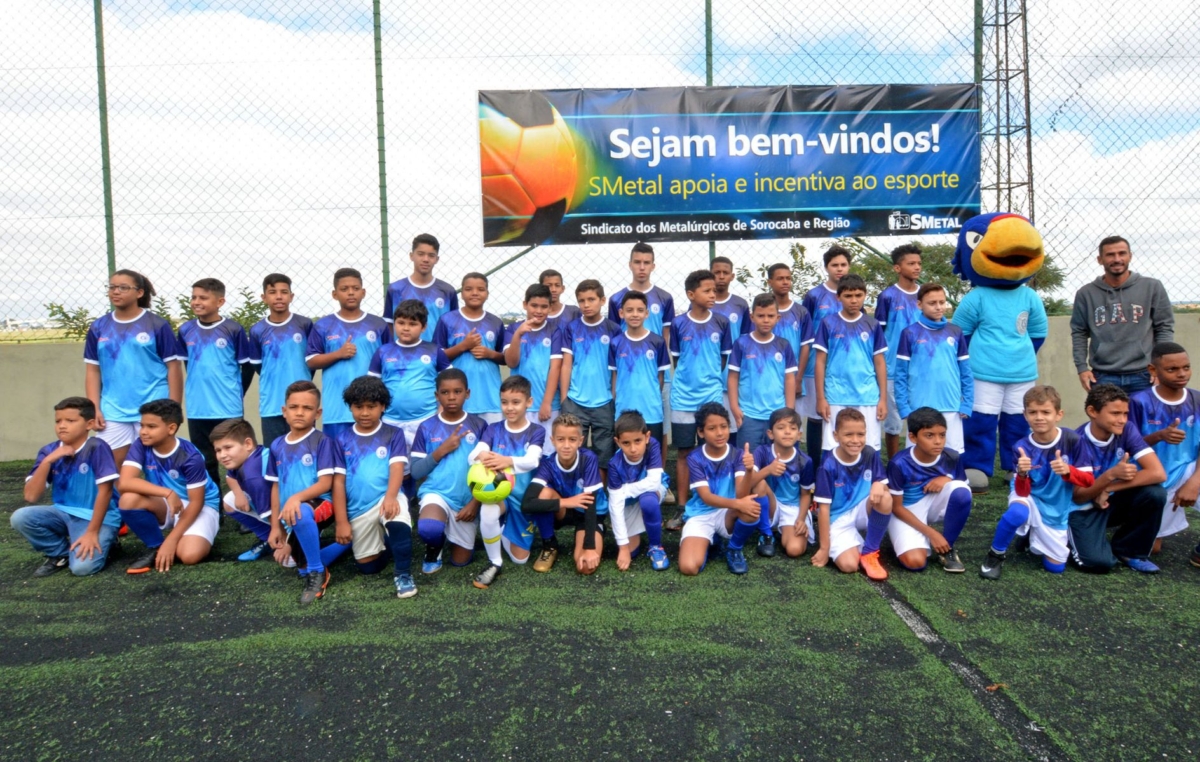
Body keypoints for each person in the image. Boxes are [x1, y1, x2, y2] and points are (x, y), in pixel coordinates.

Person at [980, 385, 1090, 579]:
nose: (1039, 417)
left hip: (1056, 509)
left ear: (1059, 414)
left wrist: (1068, 471)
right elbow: (1022, 492)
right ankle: (995, 555)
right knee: (1017, 512)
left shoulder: (1073, 439)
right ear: (1025, 415)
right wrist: (1022, 474)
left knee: (1055, 568)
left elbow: (1089, 481)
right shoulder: (1021, 447)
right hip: (1029, 495)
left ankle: (1028, 534)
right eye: (1033, 412)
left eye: (1046, 412)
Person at [12, 397, 120, 577]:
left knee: (82, 568)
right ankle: (60, 554)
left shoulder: (97, 447)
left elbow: (106, 491)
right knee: (20, 517)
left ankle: (110, 542)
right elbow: (31, 496)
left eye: (70, 421)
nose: (62, 426)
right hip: (62, 512)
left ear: (89, 424)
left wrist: (92, 533)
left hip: (97, 518)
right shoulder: (49, 451)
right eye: (58, 421)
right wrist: (48, 461)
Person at [85, 269, 184, 463]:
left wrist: (173, 409)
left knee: (159, 468)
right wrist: (94, 408)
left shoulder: (157, 325)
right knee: (110, 470)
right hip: (112, 411)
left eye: (123, 287)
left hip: (154, 406)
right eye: (112, 287)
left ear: (139, 293)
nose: (116, 292)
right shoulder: (98, 327)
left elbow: (174, 368)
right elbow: (93, 370)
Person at [266, 381, 351, 604]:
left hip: (321, 504)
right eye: (294, 407)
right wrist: (275, 526)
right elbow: (275, 486)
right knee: (294, 564)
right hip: (291, 513)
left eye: (307, 408)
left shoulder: (322, 442)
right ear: (284, 411)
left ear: (318, 413)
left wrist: (296, 498)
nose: (300, 412)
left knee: (302, 512)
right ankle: (349, 545)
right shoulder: (276, 445)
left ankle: (317, 572)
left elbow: (325, 483)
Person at [1069, 384, 1168, 573]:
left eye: (1125, 414)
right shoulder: (1076, 440)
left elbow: (1157, 473)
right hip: (1081, 509)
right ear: (1092, 411)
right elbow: (1079, 497)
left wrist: (1108, 487)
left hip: (1108, 500)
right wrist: (1110, 475)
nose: (1122, 420)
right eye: (1115, 413)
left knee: (1155, 493)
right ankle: (1056, 536)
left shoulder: (1127, 429)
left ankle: (1129, 550)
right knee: (1099, 563)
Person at [333, 376, 416, 599]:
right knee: (368, 567)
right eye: (358, 407)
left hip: (386, 496)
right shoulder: (341, 440)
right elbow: (338, 482)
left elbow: (397, 468)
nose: (365, 413)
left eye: (372, 407)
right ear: (350, 407)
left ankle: (403, 574)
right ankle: (388, 544)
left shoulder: (393, 434)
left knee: (397, 518)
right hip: (358, 508)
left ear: (383, 407)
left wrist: (391, 497)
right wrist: (341, 522)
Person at [117, 398, 221, 575]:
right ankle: (155, 546)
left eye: (151, 427)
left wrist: (171, 540)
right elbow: (124, 482)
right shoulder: (140, 445)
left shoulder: (190, 456)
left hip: (200, 506)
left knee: (189, 556)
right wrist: (168, 493)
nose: (143, 432)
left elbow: (197, 502)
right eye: (142, 426)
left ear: (171, 428)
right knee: (128, 499)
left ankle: (182, 538)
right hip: (167, 501)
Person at [468, 374, 547, 587]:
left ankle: (501, 530)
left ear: (528, 403)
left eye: (516, 402)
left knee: (520, 559)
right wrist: (481, 455)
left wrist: (505, 461)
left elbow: (532, 461)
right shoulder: (493, 429)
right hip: (500, 495)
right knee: (488, 511)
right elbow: (473, 455)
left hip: (523, 500)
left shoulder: (536, 430)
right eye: (504, 402)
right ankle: (495, 562)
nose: (509, 408)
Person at [408, 368, 488, 574]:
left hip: (467, 500)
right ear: (437, 395)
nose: (451, 397)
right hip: (437, 493)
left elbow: (490, 472)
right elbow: (416, 472)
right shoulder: (426, 427)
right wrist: (442, 449)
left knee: (461, 561)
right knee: (429, 529)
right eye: (445, 392)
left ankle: (450, 535)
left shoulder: (480, 425)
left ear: (467, 393)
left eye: (457, 391)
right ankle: (434, 546)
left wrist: (475, 503)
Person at [1071, 235, 1174, 394]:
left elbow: (1164, 327)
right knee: (1106, 420)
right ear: (1100, 260)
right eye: (1110, 255)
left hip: (1145, 374)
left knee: (1146, 419)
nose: (1117, 259)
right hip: (1103, 376)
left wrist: (1160, 367)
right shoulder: (1086, 294)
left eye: (1122, 253)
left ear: (1130, 256)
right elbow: (1079, 332)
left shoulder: (1152, 287)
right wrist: (1081, 368)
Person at [676, 403, 771, 576]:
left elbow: (742, 494)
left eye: (724, 427)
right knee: (688, 567)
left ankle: (734, 549)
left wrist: (749, 471)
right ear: (701, 432)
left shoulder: (738, 454)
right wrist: (738, 504)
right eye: (712, 428)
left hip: (728, 512)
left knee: (750, 509)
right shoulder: (695, 458)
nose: (719, 433)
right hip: (701, 515)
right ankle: (710, 542)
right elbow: (706, 497)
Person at [177, 277, 253, 485]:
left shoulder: (233, 329)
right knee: (205, 461)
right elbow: (187, 365)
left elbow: (247, 367)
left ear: (220, 302)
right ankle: (213, 510)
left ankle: (250, 507)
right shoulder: (185, 330)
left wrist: (237, 393)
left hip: (228, 408)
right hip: (198, 409)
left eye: (203, 297)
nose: (196, 302)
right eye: (194, 297)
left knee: (237, 460)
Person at [669, 270, 733, 511]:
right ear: (691, 294)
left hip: (712, 396)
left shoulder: (722, 322)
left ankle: (716, 503)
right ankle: (683, 507)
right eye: (707, 291)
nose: (712, 295)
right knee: (685, 452)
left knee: (714, 449)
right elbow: (677, 360)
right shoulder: (678, 323)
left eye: (714, 291)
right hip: (683, 398)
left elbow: (723, 359)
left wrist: (710, 380)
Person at [1129, 342, 1200, 550]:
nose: (1181, 374)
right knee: (1153, 548)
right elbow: (1128, 447)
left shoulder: (1197, 399)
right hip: (1156, 479)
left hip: (1190, 469)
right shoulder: (1139, 402)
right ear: (1153, 370)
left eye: (1186, 367)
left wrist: (1194, 482)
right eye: (1172, 369)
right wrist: (1159, 435)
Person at [305, 268, 390, 441]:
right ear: (335, 294)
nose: (350, 293)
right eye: (344, 289)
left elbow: (389, 361)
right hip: (336, 409)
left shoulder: (378, 324)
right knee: (337, 461)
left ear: (363, 292)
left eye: (355, 288)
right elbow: (311, 361)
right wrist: (338, 354)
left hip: (371, 408)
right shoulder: (323, 325)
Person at [886, 408, 973, 572]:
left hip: (934, 505)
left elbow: (962, 494)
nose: (938, 441)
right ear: (912, 437)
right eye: (929, 435)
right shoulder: (899, 463)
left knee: (961, 490)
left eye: (942, 435)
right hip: (906, 511)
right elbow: (896, 507)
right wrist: (932, 533)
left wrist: (947, 478)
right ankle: (920, 538)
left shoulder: (952, 457)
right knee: (915, 562)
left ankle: (947, 548)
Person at [522, 413, 609, 575]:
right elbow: (527, 503)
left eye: (572, 440)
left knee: (584, 567)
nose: (566, 445)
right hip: (565, 509)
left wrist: (589, 547)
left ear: (580, 441)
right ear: (552, 440)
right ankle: (549, 545)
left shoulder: (588, 459)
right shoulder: (548, 464)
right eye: (561, 439)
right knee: (544, 493)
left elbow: (590, 503)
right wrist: (566, 502)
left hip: (589, 513)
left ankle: (596, 533)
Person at [811, 408, 891, 580]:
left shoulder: (869, 453)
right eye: (849, 435)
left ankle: (870, 551)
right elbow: (823, 510)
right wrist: (824, 548)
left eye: (860, 434)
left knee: (885, 496)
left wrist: (878, 484)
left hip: (862, 509)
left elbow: (882, 485)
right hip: (838, 518)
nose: (855, 440)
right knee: (849, 566)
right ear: (835, 435)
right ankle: (852, 544)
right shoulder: (827, 465)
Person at [894, 283, 973, 454]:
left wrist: (966, 403)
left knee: (951, 455)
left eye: (942, 302)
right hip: (919, 407)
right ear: (919, 305)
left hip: (951, 405)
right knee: (917, 455)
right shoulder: (909, 333)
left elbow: (966, 372)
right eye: (932, 303)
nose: (938, 307)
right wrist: (904, 407)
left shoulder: (955, 332)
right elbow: (900, 374)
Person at [814, 274, 888, 452]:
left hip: (867, 396)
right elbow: (820, 361)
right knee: (833, 446)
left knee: (868, 446)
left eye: (858, 295)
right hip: (835, 395)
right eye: (848, 296)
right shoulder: (828, 323)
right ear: (838, 297)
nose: (853, 300)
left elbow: (879, 362)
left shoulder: (872, 324)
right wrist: (820, 398)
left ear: (865, 296)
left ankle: (869, 480)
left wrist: (883, 399)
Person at [369, 299, 451, 447]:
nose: (406, 328)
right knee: (396, 466)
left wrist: (442, 409)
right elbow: (372, 388)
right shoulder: (382, 352)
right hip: (390, 420)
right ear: (394, 323)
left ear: (424, 327)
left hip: (426, 419)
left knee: (423, 465)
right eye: (401, 323)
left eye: (413, 324)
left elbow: (450, 382)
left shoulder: (434, 351)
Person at [560, 279, 620, 471]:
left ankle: (601, 497)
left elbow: (615, 369)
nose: (586, 305)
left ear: (602, 300)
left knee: (604, 455)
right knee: (574, 453)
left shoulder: (613, 329)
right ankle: (577, 495)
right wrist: (564, 399)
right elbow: (567, 364)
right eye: (581, 301)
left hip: (604, 402)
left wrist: (613, 397)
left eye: (591, 299)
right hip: (575, 401)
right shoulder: (572, 328)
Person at [248, 273, 313, 447]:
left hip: (302, 401)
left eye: (284, 292)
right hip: (272, 402)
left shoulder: (305, 324)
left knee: (306, 450)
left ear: (291, 296)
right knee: (274, 452)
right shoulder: (257, 330)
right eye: (272, 292)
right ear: (264, 297)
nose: (278, 296)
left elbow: (311, 362)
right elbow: (258, 366)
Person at [800, 247, 852, 465]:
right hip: (816, 364)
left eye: (843, 265)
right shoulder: (813, 296)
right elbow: (806, 331)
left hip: (844, 365)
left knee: (841, 414)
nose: (839, 269)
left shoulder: (854, 292)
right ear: (826, 268)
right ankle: (815, 465)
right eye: (834, 265)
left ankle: (840, 463)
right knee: (816, 415)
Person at [727, 293, 798, 449]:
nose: (766, 320)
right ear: (752, 317)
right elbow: (733, 377)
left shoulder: (783, 345)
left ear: (777, 318)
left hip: (778, 415)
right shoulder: (741, 343)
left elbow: (789, 379)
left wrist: (789, 410)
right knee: (748, 461)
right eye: (761, 316)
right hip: (749, 415)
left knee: (778, 460)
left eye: (770, 316)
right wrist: (734, 407)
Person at [434, 272, 506, 423]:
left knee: (489, 445)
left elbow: (505, 359)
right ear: (462, 293)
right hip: (458, 402)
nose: (474, 293)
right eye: (468, 289)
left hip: (490, 399)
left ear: (487, 293)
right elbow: (436, 358)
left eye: (480, 289)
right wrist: (463, 346)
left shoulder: (495, 322)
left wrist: (490, 354)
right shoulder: (447, 320)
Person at [745, 407, 815, 559]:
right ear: (770, 433)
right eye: (781, 427)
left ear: (799, 435)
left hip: (792, 508)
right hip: (770, 504)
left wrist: (801, 519)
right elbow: (747, 484)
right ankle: (766, 533)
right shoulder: (762, 452)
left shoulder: (805, 461)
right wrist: (768, 470)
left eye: (793, 428)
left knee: (794, 549)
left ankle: (784, 530)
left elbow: (805, 495)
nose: (787, 432)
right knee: (760, 481)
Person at [606, 410, 671, 571]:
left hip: (651, 492)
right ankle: (642, 526)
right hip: (629, 501)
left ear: (647, 437)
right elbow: (615, 505)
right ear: (618, 442)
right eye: (626, 443)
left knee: (648, 501)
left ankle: (656, 546)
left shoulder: (653, 445)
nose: (633, 449)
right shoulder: (614, 464)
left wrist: (625, 490)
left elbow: (654, 482)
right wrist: (622, 547)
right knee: (630, 551)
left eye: (638, 441)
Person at [875, 243, 923, 457]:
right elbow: (880, 333)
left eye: (919, 263)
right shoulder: (887, 296)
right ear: (897, 268)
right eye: (911, 263)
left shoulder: (926, 294)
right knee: (893, 422)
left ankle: (920, 461)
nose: (917, 267)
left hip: (922, 367)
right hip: (893, 367)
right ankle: (894, 463)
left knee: (921, 417)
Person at [504, 283, 564, 445]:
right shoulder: (513, 329)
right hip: (519, 404)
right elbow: (511, 362)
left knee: (547, 452)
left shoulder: (554, 331)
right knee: (519, 451)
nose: (538, 311)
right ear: (525, 304)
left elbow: (555, 367)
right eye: (534, 305)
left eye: (544, 307)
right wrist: (518, 335)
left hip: (547, 405)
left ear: (550, 308)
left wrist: (547, 402)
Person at [608, 291, 671, 444]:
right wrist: (616, 400)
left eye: (640, 310)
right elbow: (615, 375)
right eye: (630, 310)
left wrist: (653, 397)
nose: (635, 314)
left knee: (651, 454)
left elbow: (660, 376)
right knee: (626, 457)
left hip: (651, 410)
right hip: (624, 409)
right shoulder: (615, 343)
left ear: (647, 313)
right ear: (621, 313)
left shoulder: (658, 342)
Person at [210, 417, 276, 562]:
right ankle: (267, 538)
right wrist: (239, 494)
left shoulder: (253, 476)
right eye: (218, 450)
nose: (222, 455)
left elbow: (272, 514)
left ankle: (334, 547)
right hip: (290, 506)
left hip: (301, 513)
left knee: (290, 561)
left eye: (228, 448)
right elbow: (230, 477)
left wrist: (280, 537)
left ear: (247, 443)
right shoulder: (251, 455)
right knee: (230, 500)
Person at [766, 264, 814, 451]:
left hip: (792, 378)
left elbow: (805, 346)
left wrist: (798, 378)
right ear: (770, 282)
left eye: (788, 278)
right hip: (769, 379)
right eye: (780, 278)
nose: (785, 282)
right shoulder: (765, 311)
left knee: (790, 427)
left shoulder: (801, 312)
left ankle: (793, 470)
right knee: (770, 428)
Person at [382, 233, 458, 342]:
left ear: (437, 259)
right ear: (411, 256)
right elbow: (389, 325)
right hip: (403, 355)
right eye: (421, 254)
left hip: (437, 354)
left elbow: (454, 326)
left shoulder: (447, 291)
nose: (426, 259)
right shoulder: (395, 289)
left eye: (431, 255)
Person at [606, 242, 676, 342]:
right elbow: (614, 333)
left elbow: (666, 334)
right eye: (637, 262)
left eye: (646, 263)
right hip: (626, 354)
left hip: (654, 354)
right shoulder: (616, 299)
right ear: (630, 265)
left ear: (653, 266)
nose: (642, 267)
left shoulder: (665, 297)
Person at [710, 256, 750, 337]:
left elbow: (745, 336)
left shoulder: (741, 304)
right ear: (710, 275)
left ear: (732, 276)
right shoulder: (700, 303)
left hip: (735, 349)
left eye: (725, 273)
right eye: (717, 272)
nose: (721, 277)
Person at [539, 269, 579, 333]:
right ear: (540, 288)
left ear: (562, 288)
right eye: (549, 286)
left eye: (557, 285)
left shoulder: (574, 312)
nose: (553, 289)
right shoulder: (537, 314)